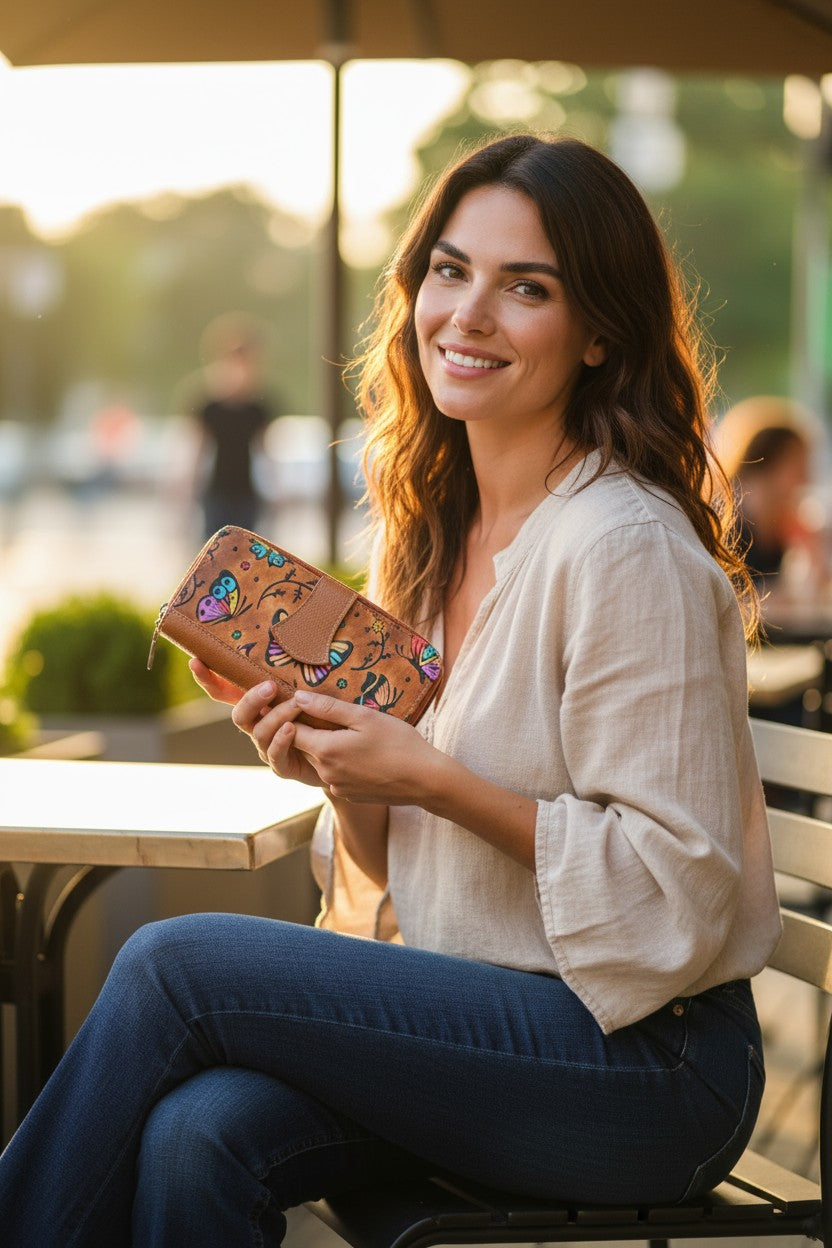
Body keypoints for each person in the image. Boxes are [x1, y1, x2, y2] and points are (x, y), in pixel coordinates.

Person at [0, 135, 782, 1247]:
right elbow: (394, 867)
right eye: (450, 271)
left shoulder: (624, 548)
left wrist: (434, 780)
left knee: (174, 965)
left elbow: (676, 889)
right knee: (196, 1132)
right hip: (488, 1021)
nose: (468, 314)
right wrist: (342, 770)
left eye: (527, 288)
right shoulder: (431, 536)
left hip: (652, 1069)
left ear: (600, 332)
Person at [716, 394, 826, 594]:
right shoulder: (726, 526)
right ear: (766, 468)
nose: (806, 479)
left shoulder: (780, 522)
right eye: (798, 467)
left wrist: (814, 550)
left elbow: (819, 583)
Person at [189, 311, 275, 538]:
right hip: (216, 494)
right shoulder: (209, 406)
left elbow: (265, 453)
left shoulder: (258, 408)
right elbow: (197, 452)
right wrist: (186, 495)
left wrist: (276, 496)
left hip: (246, 494)